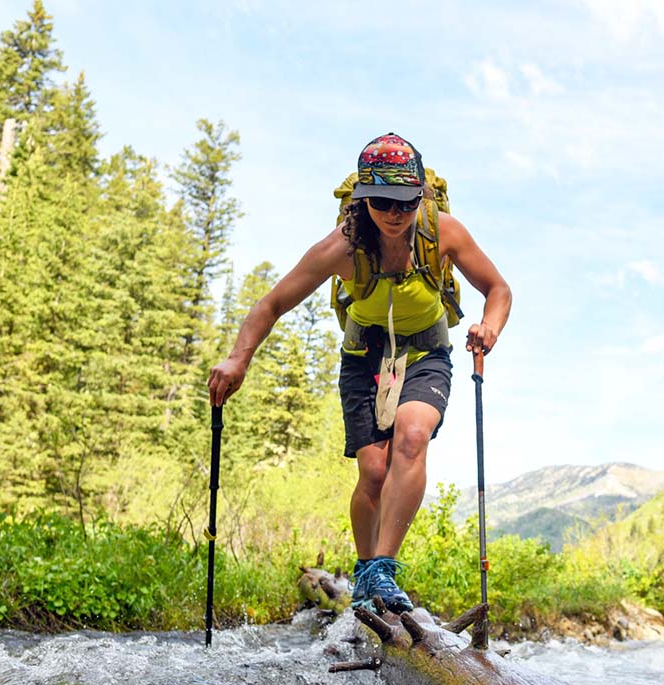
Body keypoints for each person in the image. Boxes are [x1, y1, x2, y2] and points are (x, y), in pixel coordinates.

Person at [207, 133, 511, 613]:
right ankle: (367, 576)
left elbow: (498, 288)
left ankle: (381, 571)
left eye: (407, 203)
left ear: (419, 197)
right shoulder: (343, 246)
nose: (396, 213)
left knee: (412, 438)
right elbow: (273, 304)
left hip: (427, 353)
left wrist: (489, 326)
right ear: (364, 199)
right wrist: (237, 359)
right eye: (384, 202)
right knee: (372, 469)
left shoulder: (442, 231)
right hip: (364, 356)